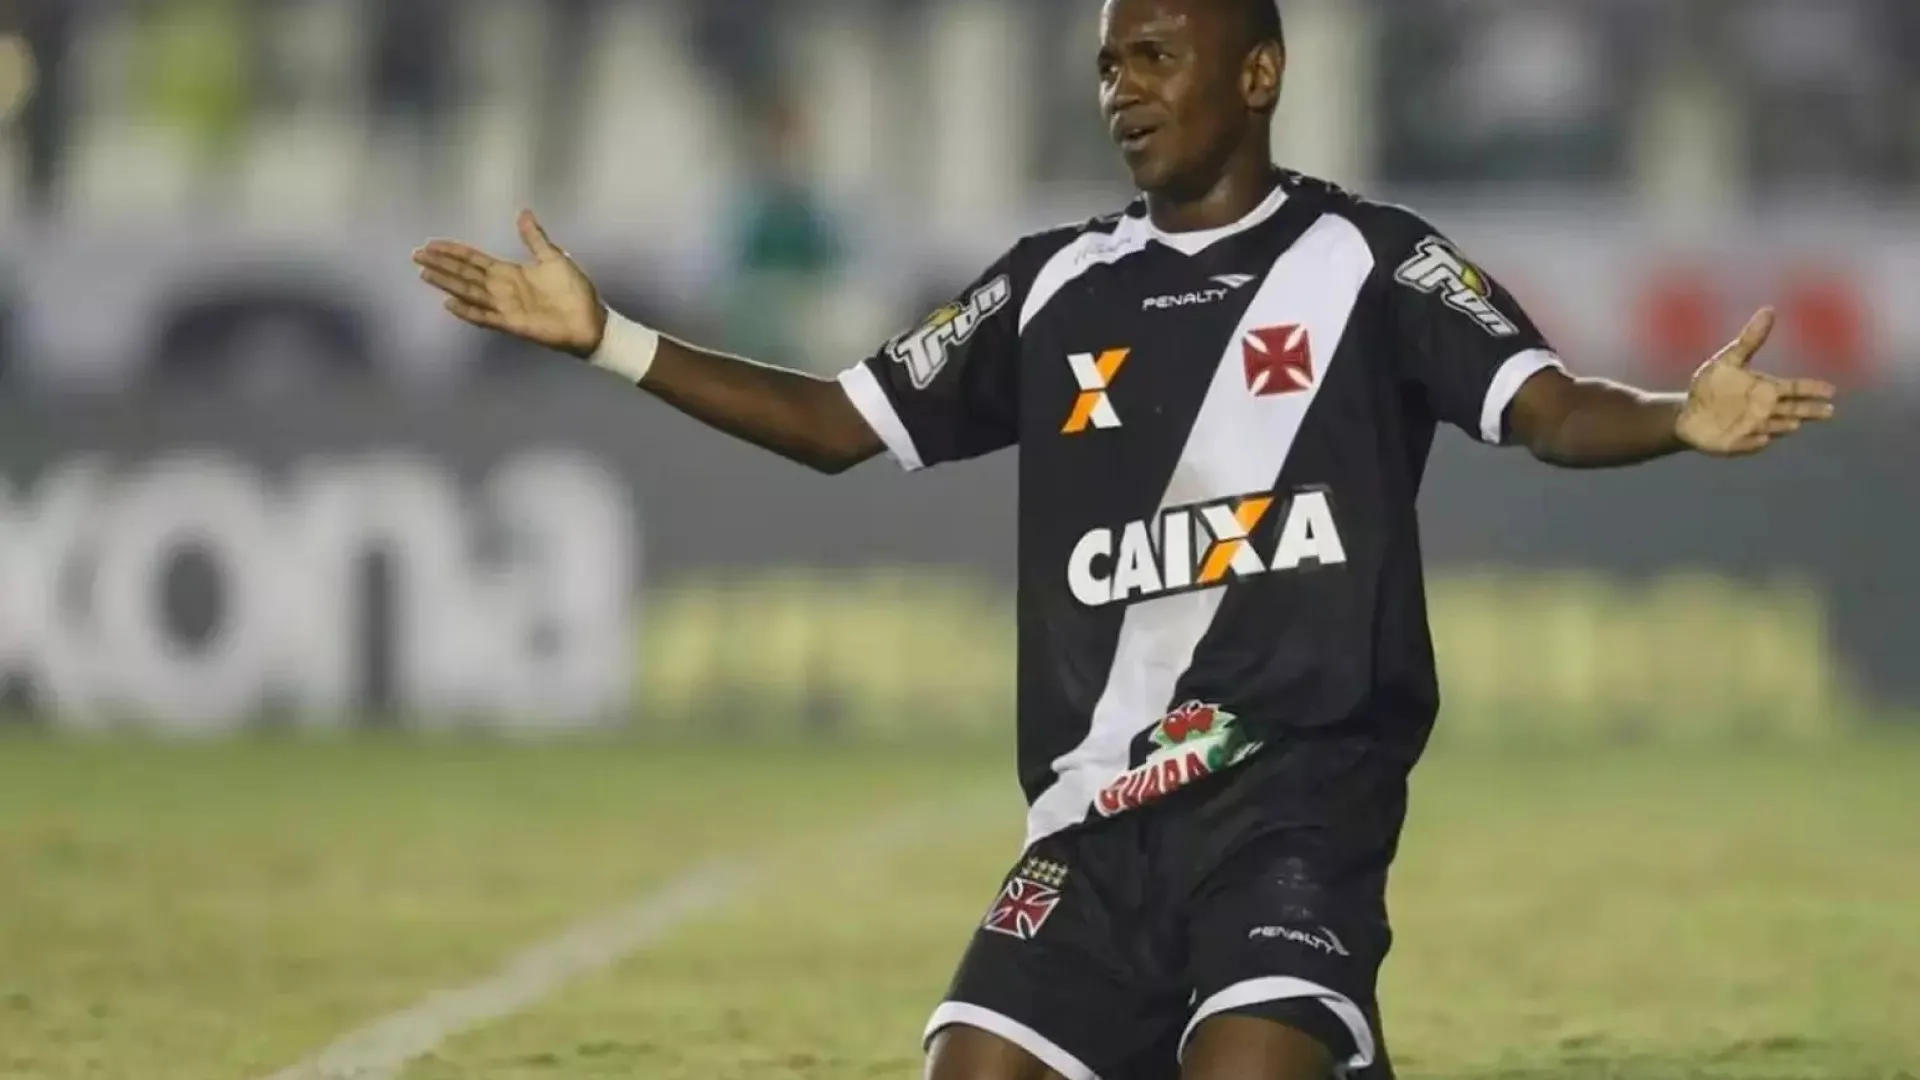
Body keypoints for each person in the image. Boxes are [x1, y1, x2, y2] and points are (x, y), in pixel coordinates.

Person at [411, 0, 1838, 1076]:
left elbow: (1549, 408)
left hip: (1295, 804)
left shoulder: (1371, 261)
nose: (1123, 89)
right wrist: (609, 338)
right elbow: (840, 421)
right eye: (1107, 64)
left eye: (1156, 55)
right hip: (1091, 824)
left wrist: (1677, 416)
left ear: (1258, 74)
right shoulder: (1052, 285)